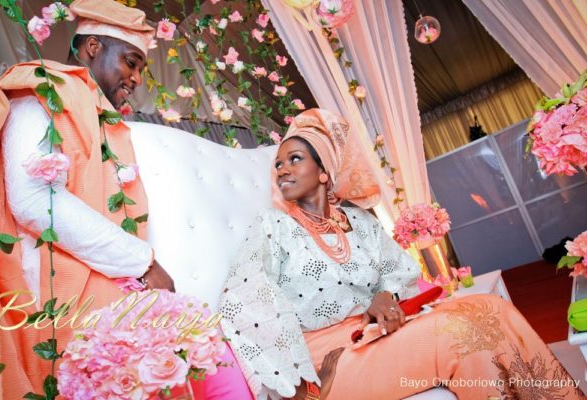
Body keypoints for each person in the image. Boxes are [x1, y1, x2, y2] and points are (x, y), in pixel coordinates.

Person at [219, 108, 585, 400]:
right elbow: (242, 300)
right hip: (328, 358)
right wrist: (305, 386)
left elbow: (399, 271)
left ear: (324, 172)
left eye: (294, 159)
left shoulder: (359, 221)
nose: (282, 169)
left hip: (374, 333)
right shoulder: (273, 227)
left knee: (490, 308)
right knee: (457, 333)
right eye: (278, 164)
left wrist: (384, 297)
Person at [0, 0, 177, 396]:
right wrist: (143, 262)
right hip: (48, 288)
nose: (136, 78)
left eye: (141, 67)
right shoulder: (39, 89)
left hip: (95, 276)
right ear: (92, 47)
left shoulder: (100, 118)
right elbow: (34, 201)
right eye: (131, 61)